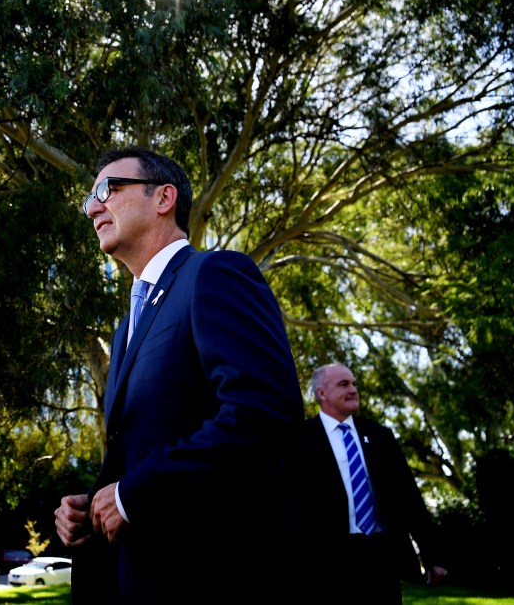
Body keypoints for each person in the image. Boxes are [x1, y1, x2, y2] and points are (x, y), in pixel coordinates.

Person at [54, 146, 305, 603]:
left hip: (212, 578)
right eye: (89, 198)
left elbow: (264, 412)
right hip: (141, 578)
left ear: (163, 198)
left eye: (107, 189)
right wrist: (93, 507)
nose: (92, 206)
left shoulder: (215, 275)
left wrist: (132, 495)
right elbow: (143, 444)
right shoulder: (125, 327)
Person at [287, 362, 448, 603]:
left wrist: (432, 555)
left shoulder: (380, 435)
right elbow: (291, 504)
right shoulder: (300, 440)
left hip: (381, 555)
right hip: (328, 560)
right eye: (344, 384)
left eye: (354, 383)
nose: (353, 389)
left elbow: (409, 497)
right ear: (322, 393)